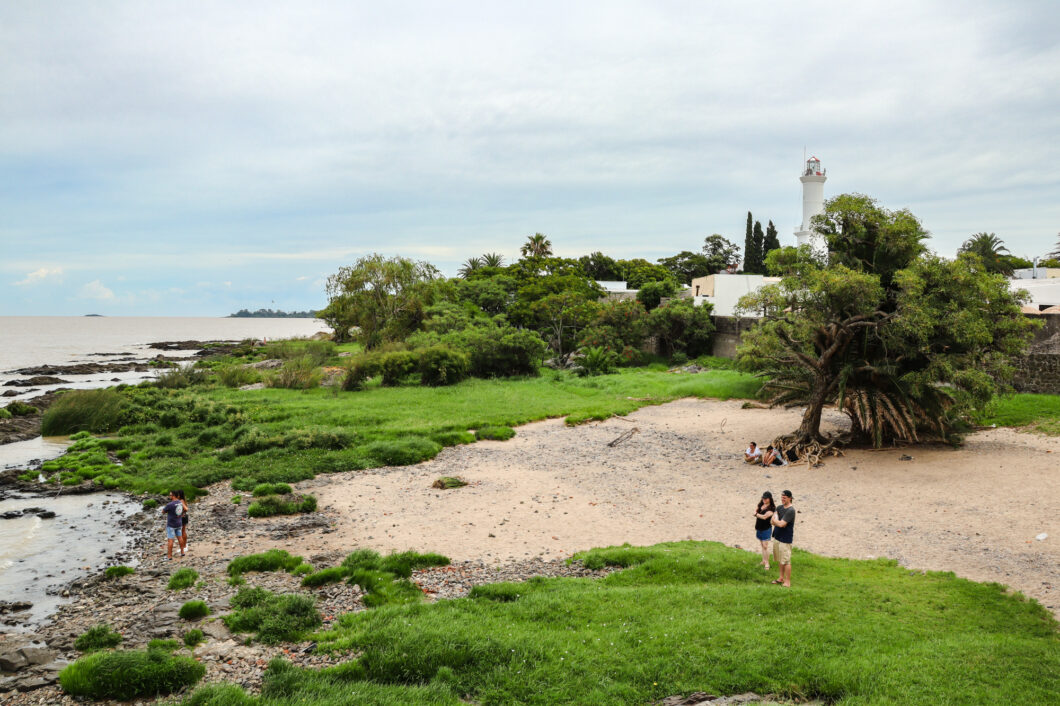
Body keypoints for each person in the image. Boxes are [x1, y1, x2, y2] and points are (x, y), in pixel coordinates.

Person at [770, 490, 796, 587]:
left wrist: (776, 521)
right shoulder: (779, 507)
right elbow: (772, 521)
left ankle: (787, 582)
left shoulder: (791, 510)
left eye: (784, 498)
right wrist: (777, 522)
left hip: (785, 539)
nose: (782, 499)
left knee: (786, 561)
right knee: (780, 559)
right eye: (782, 497)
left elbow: (782, 524)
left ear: (790, 498)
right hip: (777, 537)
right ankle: (781, 578)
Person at [161, 490, 186, 560]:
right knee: (180, 538)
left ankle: (169, 556)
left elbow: (163, 511)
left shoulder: (170, 504)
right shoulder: (180, 502)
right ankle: (182, 552)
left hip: (171, 525)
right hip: (179, 523)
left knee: (170, 540)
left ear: (174, 496)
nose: (169, 496)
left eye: (170, 495)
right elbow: (184, 509)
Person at [753, 491, 776, 569]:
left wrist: (756, 514)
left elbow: (764, 517)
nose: (764, 499)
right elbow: (757, 510)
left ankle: (767, 563)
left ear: (770, 499)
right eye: (763, 498)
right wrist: (757, 513)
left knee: (765, 546)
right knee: (762, 545)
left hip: (766, 528)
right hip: (759, 527)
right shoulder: (761, 505)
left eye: (766, 498)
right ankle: (763, 560)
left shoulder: (772, 508)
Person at [176, 489, 190, 553]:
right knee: (182, 531)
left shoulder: (181, 501)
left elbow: (186, 509)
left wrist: (181, 513)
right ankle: (184, 546)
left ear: (179, 495)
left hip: (182, 517)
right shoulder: (182, 500)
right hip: (183, 517)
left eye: (177, 494)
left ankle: (184, 546)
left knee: (182, 532)